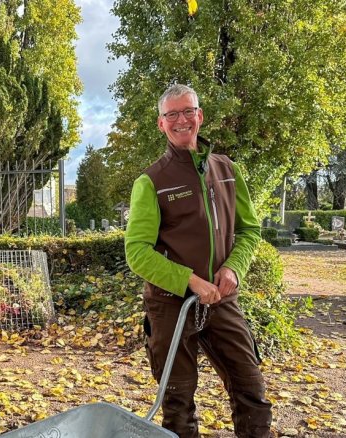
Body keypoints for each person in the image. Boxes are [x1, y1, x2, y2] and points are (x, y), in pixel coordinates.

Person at [124, 84, 271, 437]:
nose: (181, 120)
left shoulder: (227, 170)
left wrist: (234, 267)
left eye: (188, 111)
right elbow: (138, 253)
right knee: (178, 400)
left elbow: (250, 230)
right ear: (161, 124)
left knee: (251, 389)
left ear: (200, 116)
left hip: (222, 300)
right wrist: (190, 281)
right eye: (171, 114)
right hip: (170, 305)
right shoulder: (152, 181)